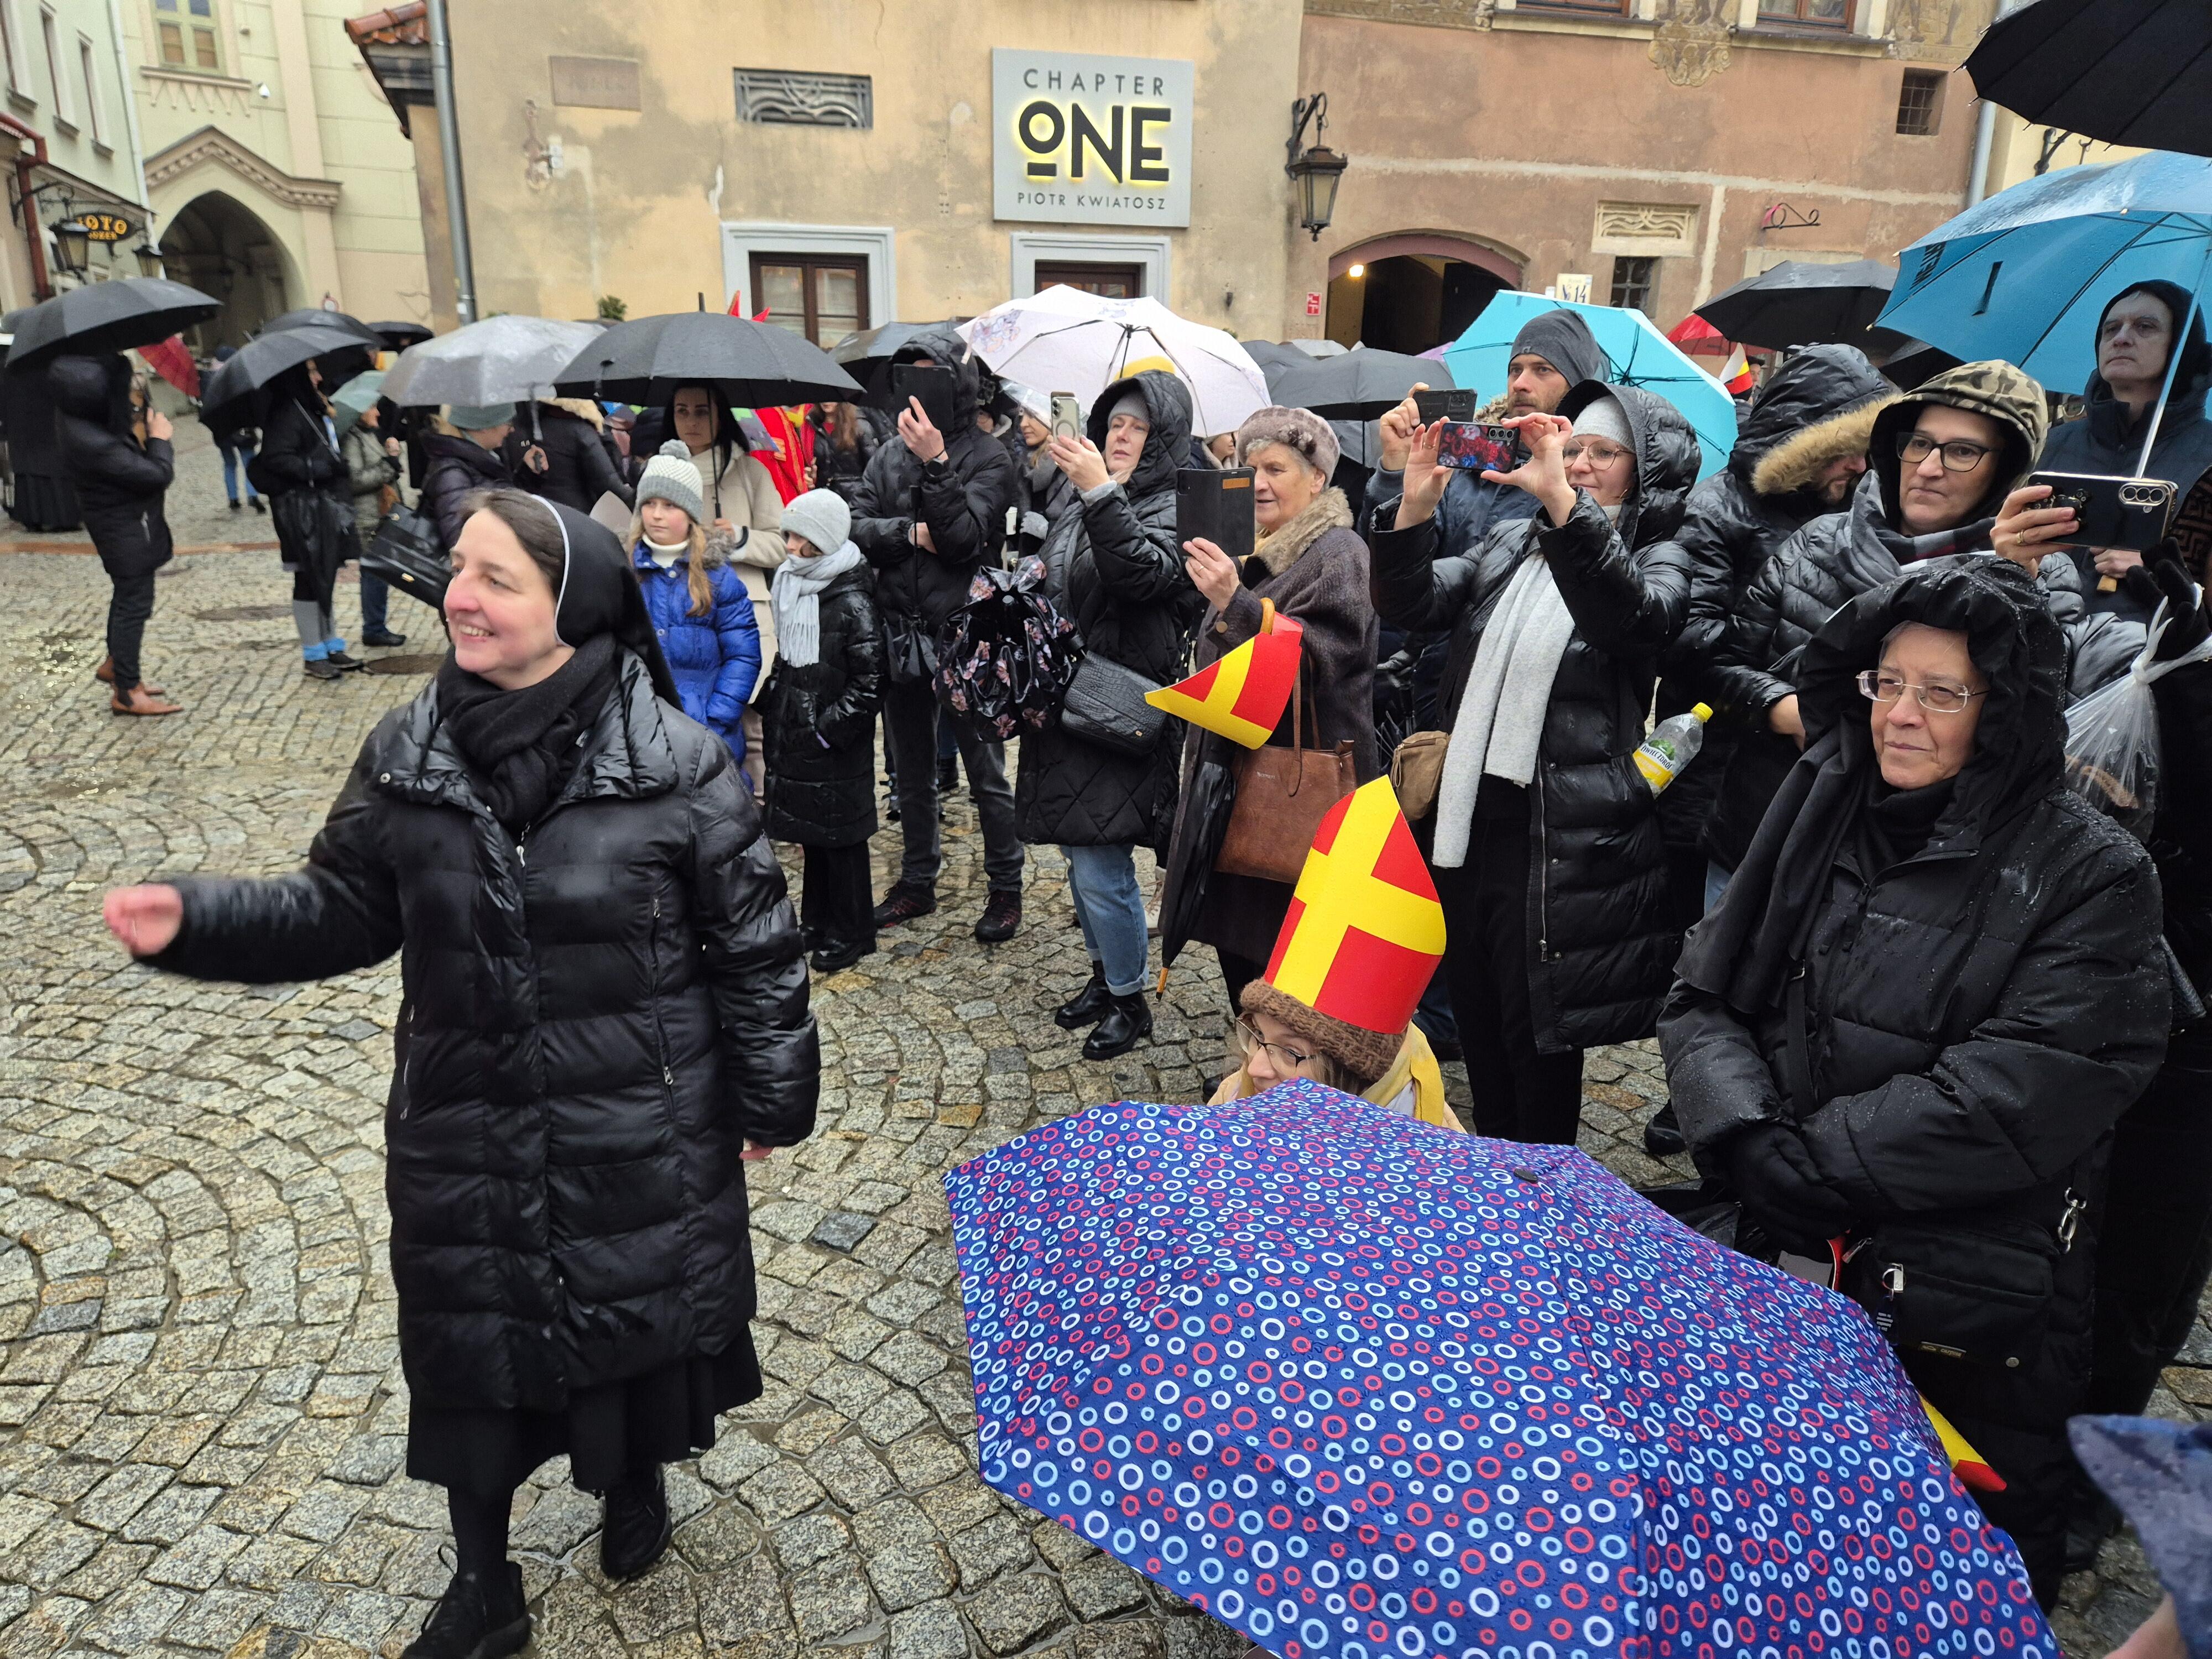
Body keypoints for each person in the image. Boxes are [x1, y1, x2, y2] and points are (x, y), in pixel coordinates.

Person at [101, 488, 817, 1659]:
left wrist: (772, 1097)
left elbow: (754, 946)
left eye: (495, 579)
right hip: (463, 1118)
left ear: (570, 608)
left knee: (628, 1316)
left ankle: (632, 1475)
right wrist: (200, 921)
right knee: (471, 1350)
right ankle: (484, 1585)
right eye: (459, 571)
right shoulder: (409, 749)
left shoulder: (679, 764)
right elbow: (338, 908)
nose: (459, 598)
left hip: (632, 1120)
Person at [1661, 556, 2168, 1605]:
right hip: (1783, 1250)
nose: (1899, 715)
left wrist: (1811, 1162)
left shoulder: (2093, 871)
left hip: (1959, 1299)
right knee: (1776, 1528)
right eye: (1886, 683)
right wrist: (1743, 1130)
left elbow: (2032, 1079)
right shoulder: (1819, 810)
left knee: (1935, 1563)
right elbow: (1703, 992)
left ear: (2007, 711)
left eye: (1942, 693)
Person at [1371, 383, 1698, 1145]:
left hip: (1560, 835)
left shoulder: (1662, 556)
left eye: (1603, 453)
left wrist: (1561, 507)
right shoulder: (1513, 540)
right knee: (1480, 1014)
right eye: (1573, 448)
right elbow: (1413, 604)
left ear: (1644, 472)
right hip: (1470, 820)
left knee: (1539, 1035)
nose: (1580, 464)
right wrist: (1414, 504)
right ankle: (1493, 1173)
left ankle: (1547, 1187)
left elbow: (1629, 620)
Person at [1641, 344, 1893, 1155]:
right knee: (1717, 938)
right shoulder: (1720, 509)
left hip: (1824, 768)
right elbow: (1695, 642)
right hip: (1727, 764)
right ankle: (1696, 1093)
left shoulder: (1860, 513)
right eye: (1845, 449)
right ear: (1803, 444)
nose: (1859, 466)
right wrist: (1778, 704)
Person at [1704, 361, 2055, 899]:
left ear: (2004, 471)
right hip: (1760, 845)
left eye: (1962, 452)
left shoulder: (2038, 577)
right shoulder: (1816, 543)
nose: (1929, 468)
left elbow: (2034, 734)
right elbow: (1719, 667)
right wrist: (1782, 708)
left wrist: (2013, 590)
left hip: (1904, 881)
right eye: (1919, 444)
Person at [1161, 404, 1378, 1008]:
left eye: (1276, 469)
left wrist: (1235, 603)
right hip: (1242, 789)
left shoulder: (1339, 552)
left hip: (1299, 795)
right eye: (1248, 468)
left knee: (1296, 965)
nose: (1258, 483)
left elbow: (1318, 660)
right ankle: (1258, 1056)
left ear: (1317, 479)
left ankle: (1290, 1065)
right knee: (1245, 957)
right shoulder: (1249, 554)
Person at [1016, 371, 1205, 1060]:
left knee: (1101, 862)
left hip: (1118, 706)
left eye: (1138, 427)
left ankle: (1130, 999)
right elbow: (1061, 576)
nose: (1122, 436)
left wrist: (1100, 492)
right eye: (1115, 423)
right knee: (1077, 851)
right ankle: (1104, 978)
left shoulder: (1180, 503)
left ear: (1165, 437)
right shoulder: (1081, 496)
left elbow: (1143, 576)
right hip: (1065, 701)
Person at [850, 326, 1024, 943]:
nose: (919, 388)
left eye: (933, 375)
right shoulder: (885, 454)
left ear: (958, 384)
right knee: (911, 772)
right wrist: (907, 534)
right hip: (901, 631)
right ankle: (917, 881)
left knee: (986, 774)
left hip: (966, 635)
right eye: (911, 376)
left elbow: (962, 540)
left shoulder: (989, 455)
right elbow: (855, 526)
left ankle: (1006, 887)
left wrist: (937, 465)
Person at [1208, 778, 1461, 1130]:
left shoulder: (1427, 1142)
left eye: (1291, 1052)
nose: (1254, 1069)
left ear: (1350, 1073)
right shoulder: (1235, 1096)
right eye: (1257, 1034)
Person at [762, 489, 884, 973]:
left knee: (842, 841)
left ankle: (853, 930)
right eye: (788, 535)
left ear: (823, 540)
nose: (790, 546)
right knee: (813, 836)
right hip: (801, 732)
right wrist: (776, 705)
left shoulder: (852, 601)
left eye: (800, 537)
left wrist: (828, 730)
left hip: (832, 742)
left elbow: (871, 681)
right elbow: (789, 655)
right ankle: (818, 920)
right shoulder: (795, 583)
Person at [1370, 307, 1609, 551]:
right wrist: (1395, 471)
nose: (1520, 384)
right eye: (1515, 370)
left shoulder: (1591, 475)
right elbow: (1391, 562)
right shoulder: (1466, 455)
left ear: (1577, 385)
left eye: (1542, 370)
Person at [2039, 281, 2212, 619]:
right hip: (2036, 635)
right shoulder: (2052, 444)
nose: (2120, 339)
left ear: (2183, 345)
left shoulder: (2207, 456)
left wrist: (2159, 570)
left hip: (2155, 645)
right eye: (2111, 329)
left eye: (2145, 327)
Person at [666, 383, 785, 794]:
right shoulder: (661, 474)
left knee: (752, 729)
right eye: (682, 411)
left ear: (721, 416)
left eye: (702, 411)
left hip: (742, 617)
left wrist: (739, 537)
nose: (691, 421)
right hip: (683, 619)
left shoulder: (750, 472)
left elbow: (781, 544)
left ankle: (762, 812)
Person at [49, 354, 180, 717]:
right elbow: (155, 475)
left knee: (129, 597)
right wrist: (160, 440)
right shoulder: (93, 442)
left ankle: (118, 667)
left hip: (120, 521)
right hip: (122, 526)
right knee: (134, 602)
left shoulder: (80, 416)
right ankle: (127, 691)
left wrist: (134, 419)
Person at [629, 440, 761, 767]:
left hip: (705, 731)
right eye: (650, 503)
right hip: (639, 728)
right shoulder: (625, 570)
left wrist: (716, 719)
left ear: (690, 513)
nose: (656, 515)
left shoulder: (718, 576)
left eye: (670, 505)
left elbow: (743, 654)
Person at [256, 359, 362, 682]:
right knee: (307, 577)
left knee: (324, 573)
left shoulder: (310, 408)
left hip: (321, 505)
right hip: (299, 511)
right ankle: (313, 653)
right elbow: (276, 458)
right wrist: (318, 469)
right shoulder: (287, 412)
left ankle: (330, 644)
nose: (318, 377)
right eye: (311, 372)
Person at [339, 397, 407, 648]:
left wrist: (391, 456)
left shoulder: (369, 435)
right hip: (367, 518)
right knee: (374, 573)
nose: (378, 413)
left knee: (378, 572)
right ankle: (374, 629)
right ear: (359, 411)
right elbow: (355, 480)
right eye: (372, 407)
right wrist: (389, 464)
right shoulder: (352, 439)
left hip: (379, 514)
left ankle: (376, 627)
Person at [510, 396, 634, 517]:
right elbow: (608, 483)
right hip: (578, 514)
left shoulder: (528, 430)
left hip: (540, 512)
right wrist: (639, 499)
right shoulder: (581, 431)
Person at [420, 403, 517, 556]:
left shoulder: (481, 459)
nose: (512, 430)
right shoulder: (452, 473)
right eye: (508, 422)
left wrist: (528, 474)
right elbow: (461, 540)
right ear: (484, 426)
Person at [207, 345, 262, 515]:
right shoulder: (239, 376)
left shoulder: (210, 380)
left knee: (229, 463)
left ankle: (233, 498)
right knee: (249, 461)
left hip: (221, 430)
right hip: (241, 428)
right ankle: (252, 495)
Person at [810, 401, 875, 505]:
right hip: (823, 497)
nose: (826, 401)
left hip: (855, 497)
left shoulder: (859, 426)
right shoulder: (811, 426)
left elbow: (873, 466)